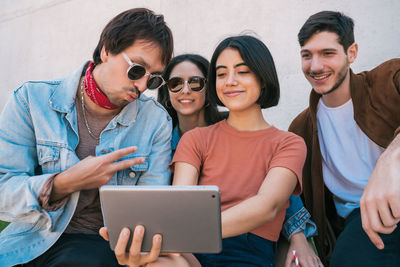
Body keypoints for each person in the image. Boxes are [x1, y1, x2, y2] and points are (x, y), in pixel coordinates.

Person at [0, 8, 173, 266]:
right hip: (29, 237)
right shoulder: (31, 100)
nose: (141, 86)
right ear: (106, 50)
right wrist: (61, 184)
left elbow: (150, 210)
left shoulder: (156, 121)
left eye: (153, 80)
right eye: (137, 70)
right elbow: (3, 190)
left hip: (98, 242)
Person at [159, 53, 320, 266]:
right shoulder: (164, 142)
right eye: (175, 83)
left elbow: (278, 201)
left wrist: (298, 236)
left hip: (241, 243)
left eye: (196, 82)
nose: (186, 90)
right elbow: (178, 205)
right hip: (191, 244)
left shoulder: (283, 142)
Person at [289, 10, 400, 266]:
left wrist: (391, 158)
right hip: (364, 224)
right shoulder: (301, 129)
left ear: (351, 53)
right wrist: (298, 238)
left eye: (327, 53)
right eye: (307, 55)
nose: (315, 66)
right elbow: (291, 196)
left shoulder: (389, 80)